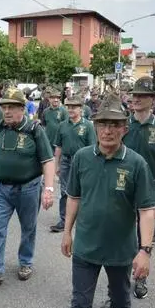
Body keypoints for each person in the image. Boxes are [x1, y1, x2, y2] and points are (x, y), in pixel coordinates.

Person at [51, 94, 155, 308]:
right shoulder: (83, 158)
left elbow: (146, 210)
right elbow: (74, 197)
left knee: (121, 301)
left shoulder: (135, 164)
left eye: (114, 125)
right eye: (102, 125)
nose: (108, 131)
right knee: (78, 307)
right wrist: (67, 232)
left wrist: (145, 250)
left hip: (120, 251)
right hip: (85, 247)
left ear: (124, 128)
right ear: (95, 127)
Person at [0, 88, 56, 287]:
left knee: (28, 228)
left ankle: (25, 262)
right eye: (4, 107)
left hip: (28, 188)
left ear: (22, 109)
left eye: (11, 107)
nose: (6, 111)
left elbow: (48, 160)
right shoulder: (1, 125)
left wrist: (49, 190)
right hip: (1, 188)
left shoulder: (34, 129)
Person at [115, 77, 155, 300]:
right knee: (122, 242)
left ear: (153, 99)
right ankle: (117, 293)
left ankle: (140, 277)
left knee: (145, 241)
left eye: (143, 95)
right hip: (123, 192)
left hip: (151, 195)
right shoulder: (123, 125)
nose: (137, 99)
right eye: (135, 94)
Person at [49, 96, 95, 234]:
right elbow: (58, 147)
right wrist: (56, 165)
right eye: (68, 107)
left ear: (81, 109)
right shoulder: (62, 125)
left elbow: (92, 148)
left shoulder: (87, 126)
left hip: (82, 162)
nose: (70, 109)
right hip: (66, 161)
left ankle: (83, 219)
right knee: (64, 190)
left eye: (74, 107)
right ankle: (64, 219)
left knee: (83, 190)